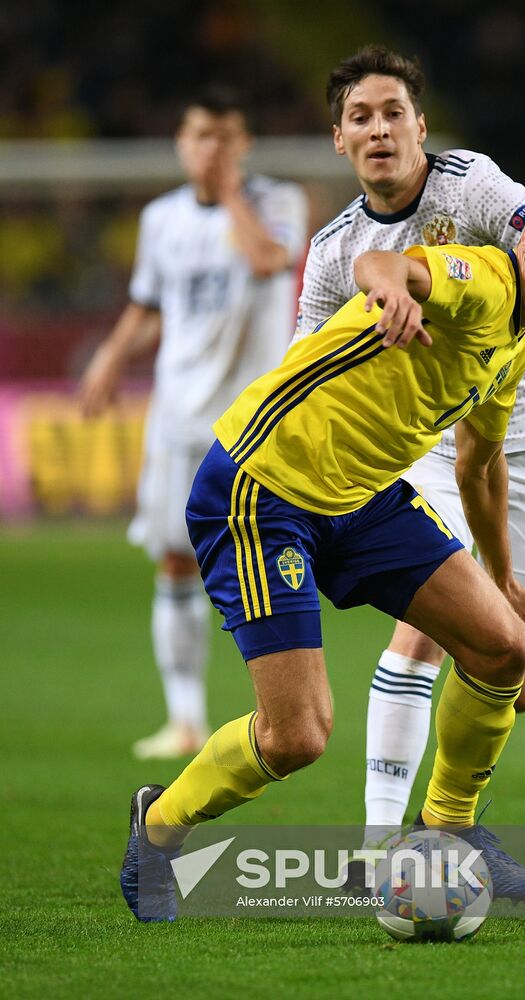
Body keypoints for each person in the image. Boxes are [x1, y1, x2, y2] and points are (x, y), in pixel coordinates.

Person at [119, 173, 525, 922]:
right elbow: (388, 265)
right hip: (263, 489)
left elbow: (477, 465)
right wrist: (391, 291)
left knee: (503, 649)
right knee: (297, 736)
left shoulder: (517, 345)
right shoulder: (480, 279)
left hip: (360, 497)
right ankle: (159, 827)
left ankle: (447, 829)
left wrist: (507, 582)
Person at [292, 47, 525, 851]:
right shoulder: (333, 254)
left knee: (518, 666)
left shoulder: (470, 183)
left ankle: (448, 822)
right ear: (338, 139)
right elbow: (302, 377)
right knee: (424, 626)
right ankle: (384, 852)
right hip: (437, 445)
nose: (378, 129)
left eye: (392, 112)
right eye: (360, 117)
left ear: (420, 125)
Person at [79, 86, 308, 760]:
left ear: (244, 145)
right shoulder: (160, 220)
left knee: (270, 563)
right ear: (181, 144)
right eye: (201, 136)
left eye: (226, 137)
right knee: (175, 562)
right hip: (178, 416)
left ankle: (281, 711)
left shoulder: (278, 202)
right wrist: (109, 360)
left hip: (256, 420)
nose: (212, 149)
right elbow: (149, 303)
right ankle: (183, 719)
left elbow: (269, 262)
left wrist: (230, 193)